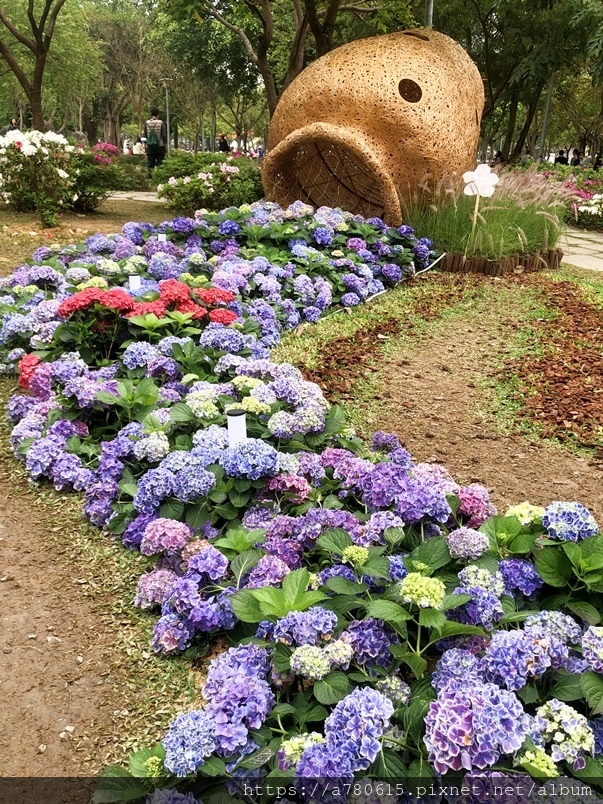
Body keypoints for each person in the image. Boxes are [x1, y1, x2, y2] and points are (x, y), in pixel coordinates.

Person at [144, 107, 167, 176]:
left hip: (150, 147)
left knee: (150, 164)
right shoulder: (161, 123)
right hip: (160, 146)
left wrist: (145, 147)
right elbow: (164, 136)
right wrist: (166, 147)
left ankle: (150, 178)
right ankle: (159, 178)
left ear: (151, 114)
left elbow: (145, 136)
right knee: (160, 164)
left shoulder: (146, 123)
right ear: (158, 115)